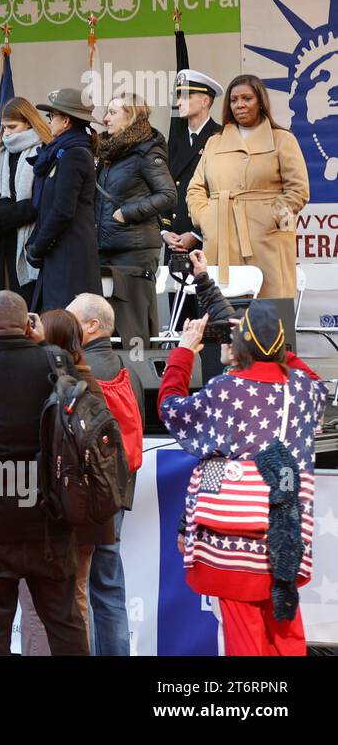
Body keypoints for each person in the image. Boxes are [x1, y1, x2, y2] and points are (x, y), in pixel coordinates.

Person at [159, 256, 328, 655]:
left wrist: (183, 353)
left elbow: (171, 409)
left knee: (244, 640)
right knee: (285, 636)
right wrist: (205, 283)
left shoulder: (225, 390)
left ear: (241, 347)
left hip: (235, 540)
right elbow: (308, 376)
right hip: (286, 539)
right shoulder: (306, 390)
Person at [0, 291, 89, 655]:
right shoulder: (53, 362)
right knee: (65, 624)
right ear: (28, 325)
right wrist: (43, 347)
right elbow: (83, 408)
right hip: (47, 518)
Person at [14, 308, 114, 655]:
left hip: (50, 515)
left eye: (38, 326)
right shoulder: (91, 384)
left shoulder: (43, 386)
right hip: (84, 516)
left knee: (38, 608)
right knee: (76, 601)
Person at [185, 74, 309, 300]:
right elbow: (195, 189)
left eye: (247, 98)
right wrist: (206, 219)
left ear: (260, 101)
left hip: (268, 242)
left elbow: (298, 191)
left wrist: (271, 219)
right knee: (224, 317)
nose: (239, 104)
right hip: (220, 237)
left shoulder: (282, 139)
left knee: (270, 315)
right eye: (234, 100)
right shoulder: (215, 141)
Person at [67, 292, 142, 657]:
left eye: (72, 319)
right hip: (119, 490)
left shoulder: (81, 373)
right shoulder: (129, 369)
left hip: (90, 494)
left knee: (82, 586)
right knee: (108, 585)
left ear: (92, 326)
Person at [95, 94, 176, 348]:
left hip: (135, 252)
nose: (105, 118)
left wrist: (129, 212)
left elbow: (168, 194)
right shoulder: (111, 152)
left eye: (112, 112)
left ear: (131, 117)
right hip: (108, 249)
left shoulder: (146, 151)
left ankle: (140, 383)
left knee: (133, 329)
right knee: (110, 329)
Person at [26, 88, 103, 312]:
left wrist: (38, 247)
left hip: (70, 260)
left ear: (66, 121)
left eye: (52, 117)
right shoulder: (61, 152)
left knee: (66, 329)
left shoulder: (74, 154)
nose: (49, 122)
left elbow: (62, 210)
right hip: (59, 256)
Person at [0, 97, 49, 307]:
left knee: (27, 306)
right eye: (4, 127)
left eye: (12, 126)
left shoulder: (43, 151)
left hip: (29, 239)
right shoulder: (0, 154)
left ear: (28, 122)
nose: (7, 132)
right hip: (0, 242)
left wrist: (0, 215)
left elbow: (38, 203)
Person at [161, 69, 224, 257]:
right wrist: (165, 231)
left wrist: (197, 234)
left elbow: (221, 193)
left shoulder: (221, 137)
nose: (178, 102)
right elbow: (164, 186)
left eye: (186, 96)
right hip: (174, 240)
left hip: (206, 239)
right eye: (178, 96)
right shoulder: (173, 141)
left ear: (205, 101)